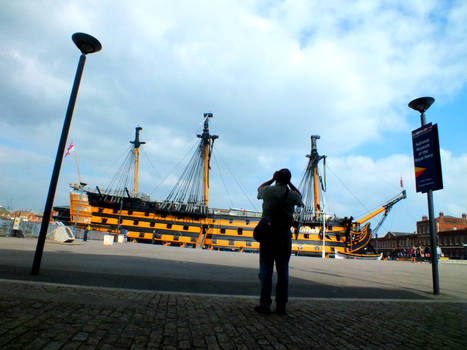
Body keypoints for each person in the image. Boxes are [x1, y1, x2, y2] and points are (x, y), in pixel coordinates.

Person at [255, 169, 303, 316]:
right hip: (283, 235)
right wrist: (290, 183)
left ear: (276, 178)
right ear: (288, 180)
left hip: (268, 234)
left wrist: (271, 179)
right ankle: (281, 306)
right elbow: (300, 197)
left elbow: (259, 189)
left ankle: (265, 304)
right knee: (283, 272)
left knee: (266, 270)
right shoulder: (292, 195)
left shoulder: (268, 191)